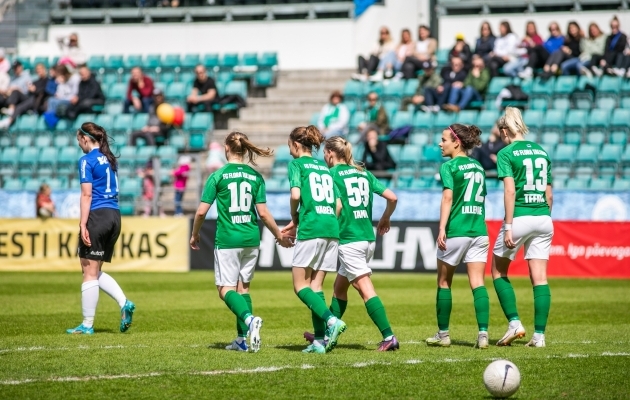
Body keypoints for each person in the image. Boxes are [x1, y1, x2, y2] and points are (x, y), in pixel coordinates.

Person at [190, 131, 292, 353]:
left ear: (227, 148)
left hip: (228, 238)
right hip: (251, 238)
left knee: (224, 289)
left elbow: (200, 212)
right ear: (245, 150)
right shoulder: (256, 177)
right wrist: (278, 235)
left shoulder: (218, 176)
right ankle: (240, 340)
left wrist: (195, 234)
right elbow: (263, 213)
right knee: (243, 288)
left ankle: (249, 320)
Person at [301, 136, 399, 351]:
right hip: (367, 239)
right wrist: (385, 218)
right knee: (339, 289)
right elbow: (392, 197)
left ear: (329, 153)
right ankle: (327, 336)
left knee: (365, 289)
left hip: (349, 240)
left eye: (325, 153)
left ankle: (389, 335)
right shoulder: (363, 172)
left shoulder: (331, 174)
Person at [280, 125, 347, 354]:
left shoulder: (297, 165)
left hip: (311, 228)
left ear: (297, 145)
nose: (289, 151)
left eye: (290, 146)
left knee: (300, 286)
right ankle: (319, 342)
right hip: (331, 228)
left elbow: (295, 195)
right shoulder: (324, 167)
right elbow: (338, 205)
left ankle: (331, 321)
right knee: (316, 286)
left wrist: (294, 216)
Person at [492, 107, 553, 348]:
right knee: (540, 278)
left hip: (519, 216)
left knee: (498, 272)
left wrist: (508, 226)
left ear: (505, 130)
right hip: (543, 218)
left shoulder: (506, 153)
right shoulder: (542, 151)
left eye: (500, 133)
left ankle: (515, 323)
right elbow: (549, 194)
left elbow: (509, 190)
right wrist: (545, 218)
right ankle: (539, 336)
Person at [67, 122, 135, 335]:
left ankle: (87, 325)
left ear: (85, 139)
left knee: (88, 271)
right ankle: (124, 303)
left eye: (79, 140)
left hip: (98, 215)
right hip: (114, 215)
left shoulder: (86, 161)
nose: (80, 145)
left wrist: (82, 223)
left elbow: (87, 194)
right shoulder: (110, 159)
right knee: (93, 270)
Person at [425, 123, 490, 349]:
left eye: (444, 140)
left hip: (457, 230)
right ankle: (483, 334)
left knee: (444, 282)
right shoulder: (479, 167)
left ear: (457, 142)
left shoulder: (449, 166)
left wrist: (442, 228)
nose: (440, 144)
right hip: (479, 231)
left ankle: (443, 335)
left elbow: (447, 199)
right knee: (478, 283)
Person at [0, 63, 50, 129]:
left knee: (19, 101)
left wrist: (35, 90)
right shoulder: (35, 81)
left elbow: (45, 92)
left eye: (40, 69)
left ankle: (9, 120)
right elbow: (30, 92)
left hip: (39, 102)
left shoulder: (48, 80)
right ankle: (10, 112)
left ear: (44, 70)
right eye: (37, 70)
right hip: (27, 99)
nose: (39, 71)